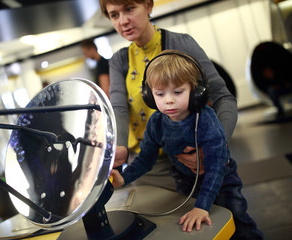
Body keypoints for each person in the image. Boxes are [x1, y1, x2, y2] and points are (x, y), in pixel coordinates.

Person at [110, 50, 263, 238]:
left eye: (177, 92)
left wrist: (202, 206)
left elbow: (216, 167)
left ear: (196, 91)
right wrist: (124, 178)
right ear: (150, 96)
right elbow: (145, 159)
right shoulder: (157, 122)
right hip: (186, 181)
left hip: (221, 180)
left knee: (239, 224)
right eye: (159, 94)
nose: (169, 100)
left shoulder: (206, 119)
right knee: (202, 230)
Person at [99, 0, 237, 190]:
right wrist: (120, 146)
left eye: (129, 9)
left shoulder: (181, 44)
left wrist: (219, 146)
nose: (123, 21)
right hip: (147, 165)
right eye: (114, 15)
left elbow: (223, 98)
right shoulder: (119, 60)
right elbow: (119, 108)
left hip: (192, 158)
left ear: (148, 6)